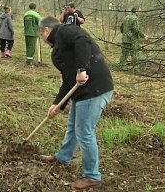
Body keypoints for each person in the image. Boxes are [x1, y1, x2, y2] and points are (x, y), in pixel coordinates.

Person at [38, 16, 114, 191]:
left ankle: (92, 176)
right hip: (82, 91)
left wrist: (82, 69)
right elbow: (67, 81)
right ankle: (63, 157)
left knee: (84, 131)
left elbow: (82, 40)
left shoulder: (65, 31)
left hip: (95, 88)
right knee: (73, 126)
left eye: (41, 35)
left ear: (46, 30)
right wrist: (57, 104)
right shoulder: (59, 46)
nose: (42, 39)